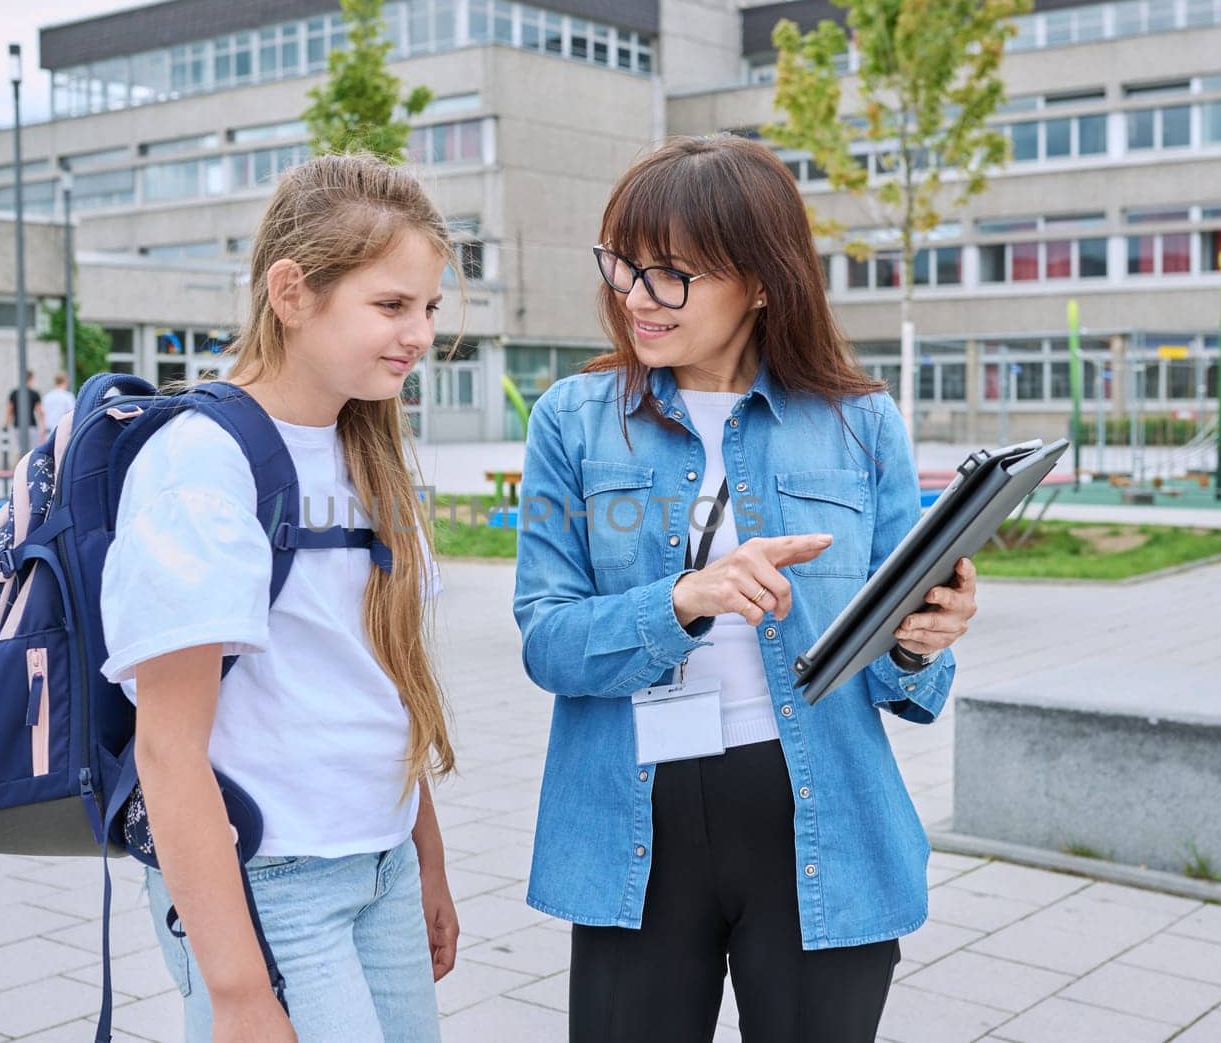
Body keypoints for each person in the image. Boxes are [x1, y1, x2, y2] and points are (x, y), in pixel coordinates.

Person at [512, 135, 979, 1043]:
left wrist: (924, 637)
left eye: (673, 274)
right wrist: (685, 599)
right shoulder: (573, 418)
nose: (638, 298)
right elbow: (547, 640)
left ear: (763, 282)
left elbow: (897, 682)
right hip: (632, 818)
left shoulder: (860, 423)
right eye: (624, 266)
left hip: (821, 813)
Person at [99, 154, 460, 1043]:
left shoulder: (368, 454)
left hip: (380, 867)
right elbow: (168, 750)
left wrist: (425, 857)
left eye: (428, 308)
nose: (419, 334)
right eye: (391, 305)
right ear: (292, 292)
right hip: (269, 878)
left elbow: (379, 674)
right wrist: (237, 993)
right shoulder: (201, 466)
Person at [4, 370, 40, 450]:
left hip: (18, 426)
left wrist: (6, 424)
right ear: (31, 379)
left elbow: (9, 411)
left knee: (20, 450)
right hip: (31, 425)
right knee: (32, 451)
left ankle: (19, 463)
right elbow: (40, 412)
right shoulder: (34, 394)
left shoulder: (14, 393)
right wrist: (43, 427)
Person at [40, 371, 76, 439]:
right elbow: (72, 415)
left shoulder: (47, 396)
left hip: (49, 432)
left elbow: (43, 415)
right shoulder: (68, 396)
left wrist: (42, 433)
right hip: (63, 432)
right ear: (66, 381)